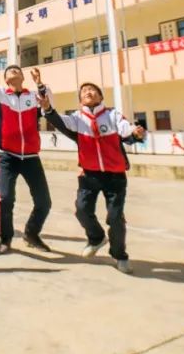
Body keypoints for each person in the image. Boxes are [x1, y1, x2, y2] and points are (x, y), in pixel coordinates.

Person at [34, 71, 145, 275]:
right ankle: (96, 238)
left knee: (115, 217)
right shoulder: (77, 119)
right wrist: (46, 107)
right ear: (80, 100)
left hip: (115, 176)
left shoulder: (112, 115)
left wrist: (135, 132)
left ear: (101, 97)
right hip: (89, 175)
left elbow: (125, 130)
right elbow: (58, 120)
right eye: (84, 91)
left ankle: (119, 255)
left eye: (92, 90)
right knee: (82, 209)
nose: (88, 92)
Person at [0, 36, 52, 254]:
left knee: (44, 202)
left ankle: (32, 233)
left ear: (23, 77)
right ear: (6, 79)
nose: (14, 71)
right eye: (10, 70)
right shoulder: (0, 97)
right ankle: (5, 238)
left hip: (32, 158)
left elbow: (48, 103)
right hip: (7, 157)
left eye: (17, 70)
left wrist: (40, 83)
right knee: (5, 198)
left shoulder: (33, 96)